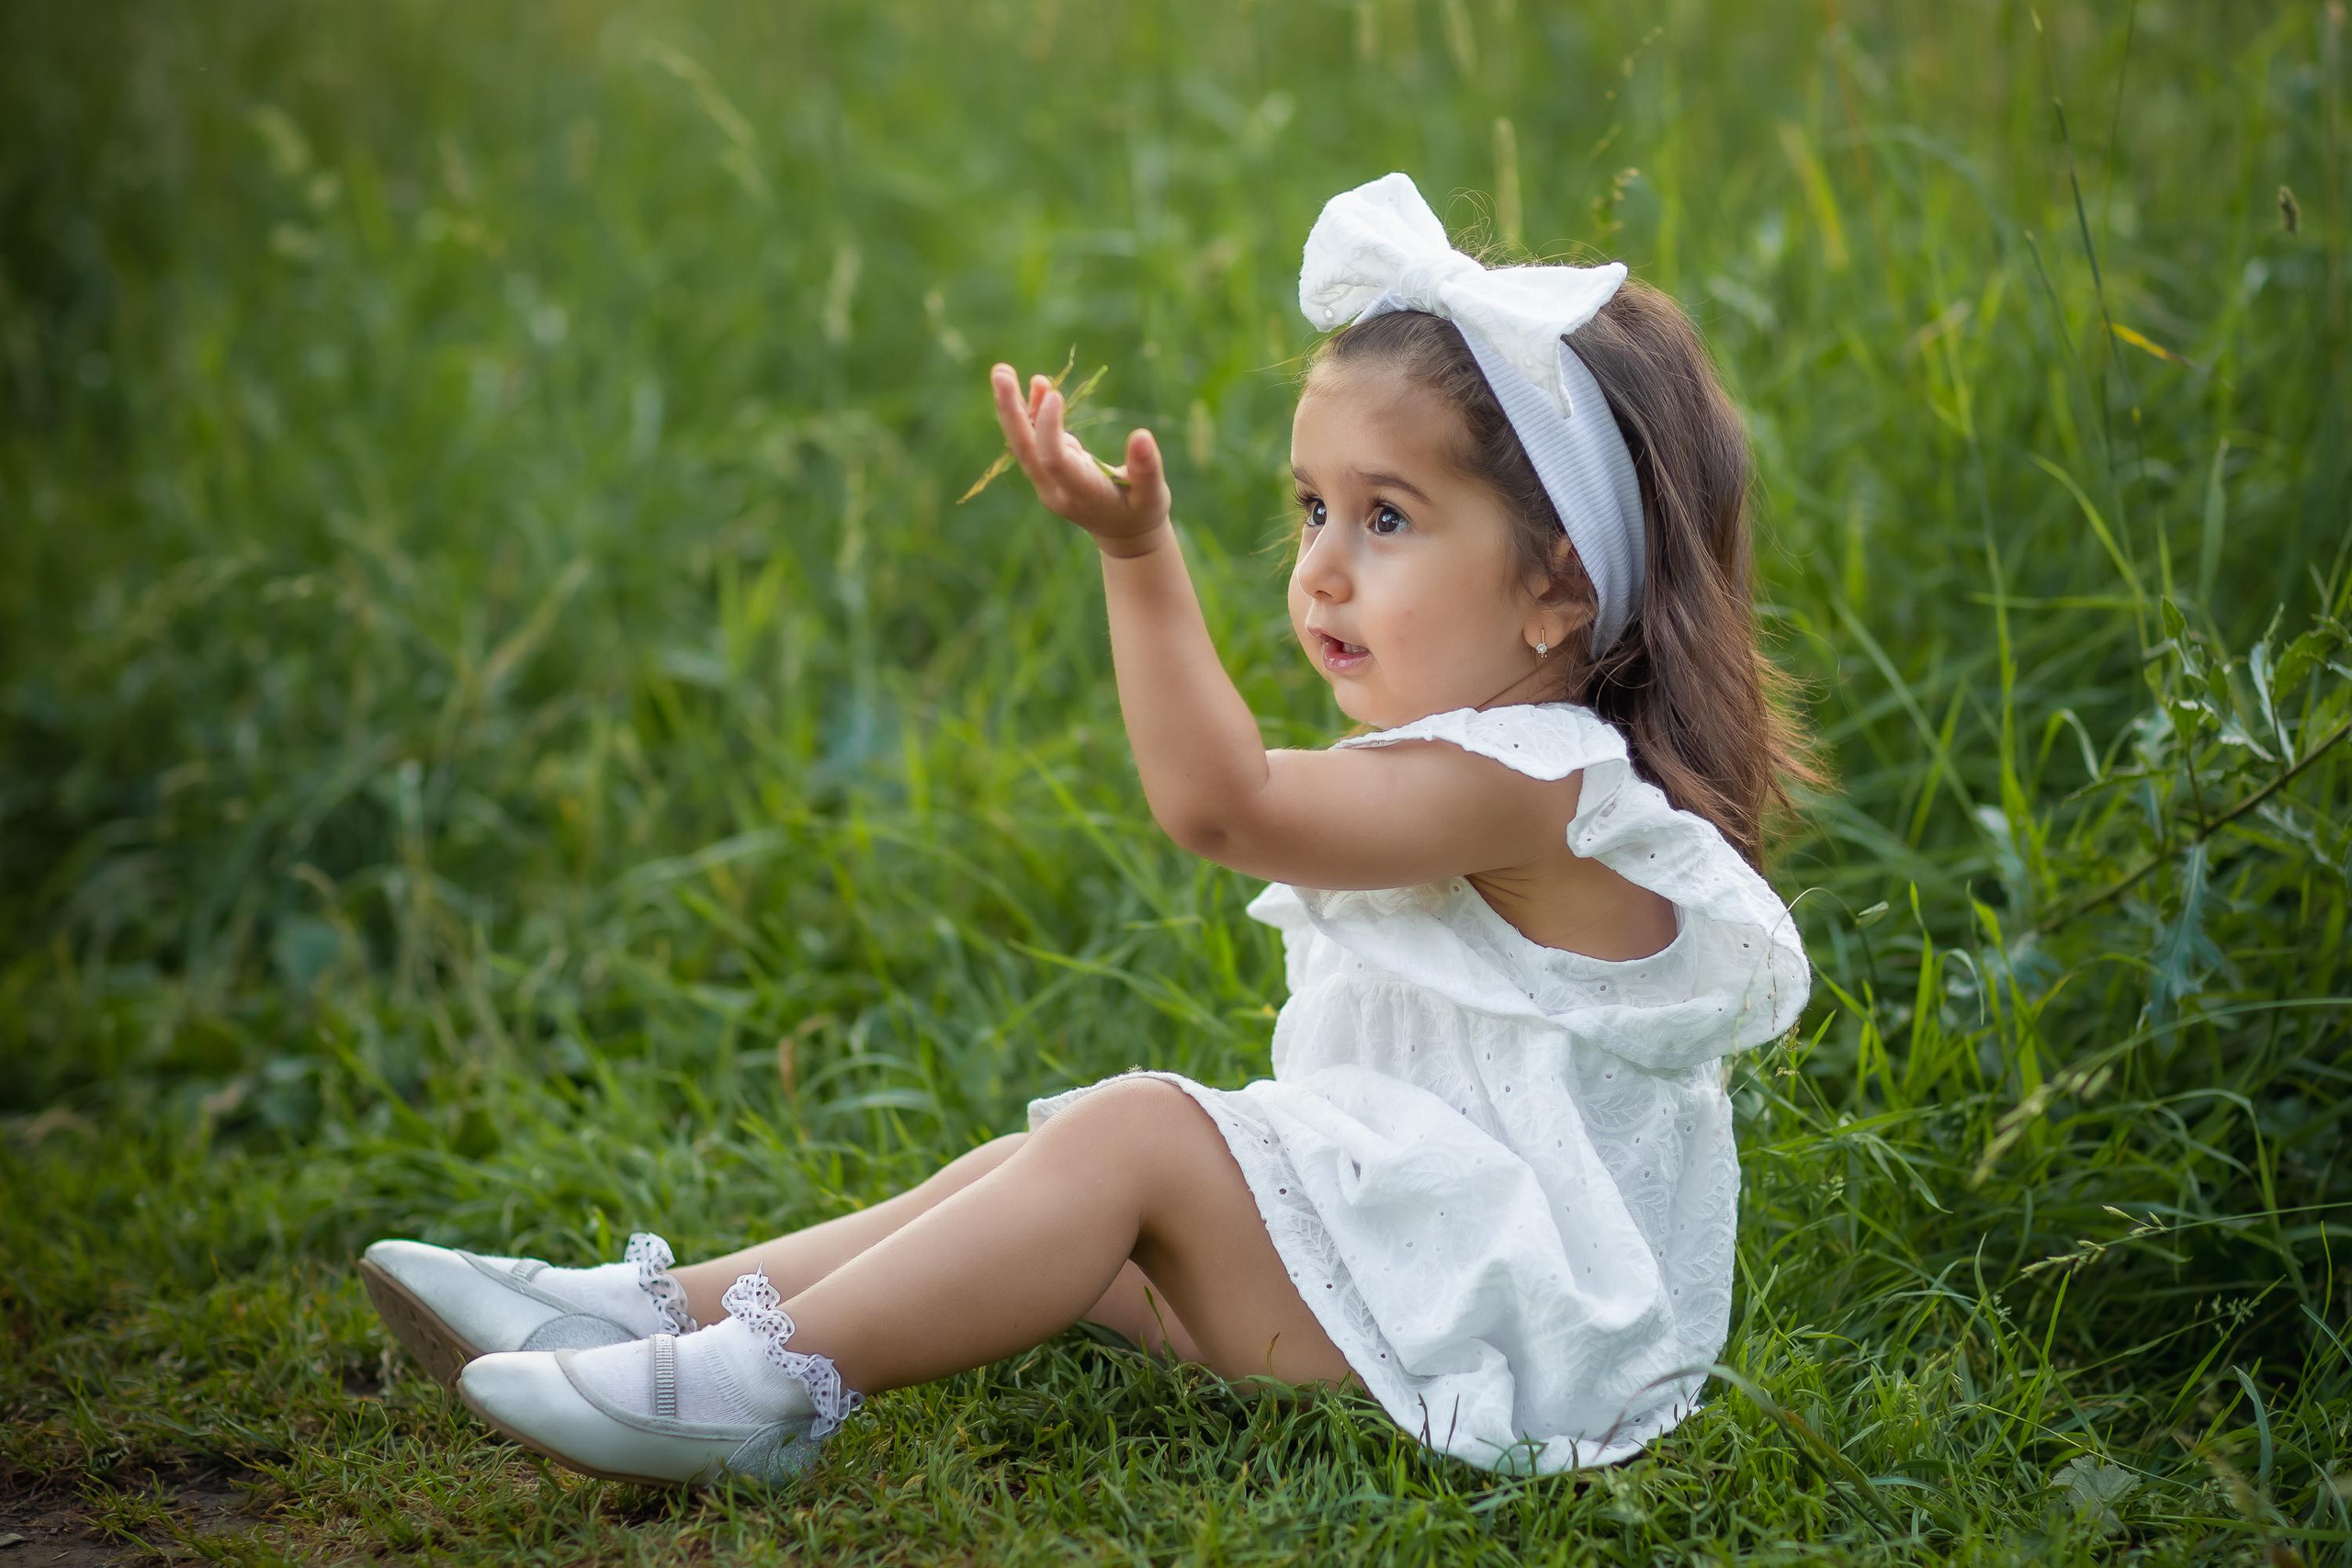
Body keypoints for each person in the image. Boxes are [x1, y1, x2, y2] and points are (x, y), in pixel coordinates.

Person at [358, 171, 1819, 1486]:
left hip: (1506, 1326)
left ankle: (758, 1394)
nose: (1319, 572)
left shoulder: (1535, 779)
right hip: (1409, 1263)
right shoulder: (1500, 761)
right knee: (1033, 1174)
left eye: (1388, 521)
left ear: (1558, 589)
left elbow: (1224, 803)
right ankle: (649, 1312)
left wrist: (1139, 555)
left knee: (1135, 1136)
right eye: (1312, 508)